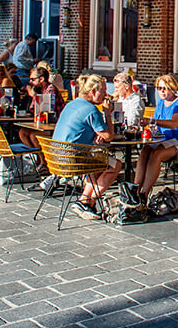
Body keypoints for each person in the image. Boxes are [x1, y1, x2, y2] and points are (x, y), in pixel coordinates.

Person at [50, 74, 123, 220]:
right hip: (72, 159)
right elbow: (109, 136)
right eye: (103, 91)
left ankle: (84, 202)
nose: (105, 95)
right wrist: (107, 113)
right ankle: (86, 201)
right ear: (93, 92)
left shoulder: (72, 104)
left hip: (56, 156)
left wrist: (93, 136)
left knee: (97, 160)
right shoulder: (91, 110)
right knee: (116, 165)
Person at [131, 74, 178, 203]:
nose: (162, 91)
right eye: (159, 88)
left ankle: (144, 193)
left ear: (172, 88)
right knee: (145, 151)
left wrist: (152, 121)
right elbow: (156, 124)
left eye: (165, 88)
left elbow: (174, 123)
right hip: (162, 139)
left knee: (156, 154)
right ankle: (135, 190)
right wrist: (149, 128)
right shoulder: (160, 103)